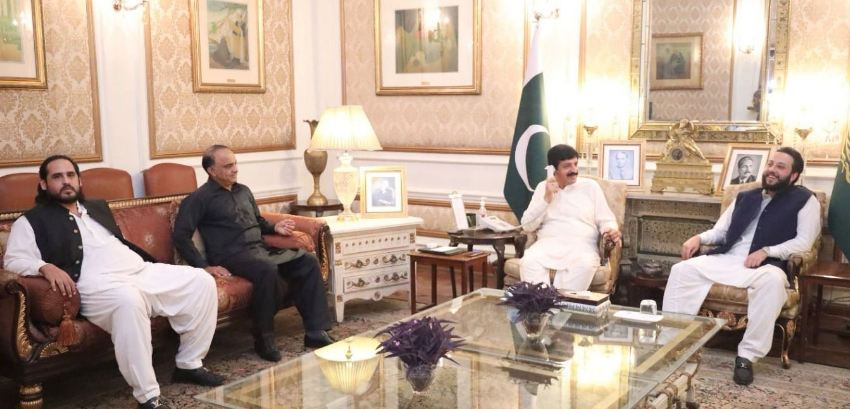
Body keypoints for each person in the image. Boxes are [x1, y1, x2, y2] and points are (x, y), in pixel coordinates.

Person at [3, 155, 223, 409]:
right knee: (129, 302)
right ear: (43, 184)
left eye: (71, 175)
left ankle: (189, 364)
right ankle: (148, 396)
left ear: (79, 180)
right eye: (57, 177)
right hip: (97, 286)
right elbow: (14, 260)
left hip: (141, 271)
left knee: (201, 281)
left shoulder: (96, 207)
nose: (66, 181)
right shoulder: (31, 221)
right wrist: (44, 266)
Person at [662, 147, 820, 386]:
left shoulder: (806, 200)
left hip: (766, 265)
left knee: (772, 282)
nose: (772, 170)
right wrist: (698, 238)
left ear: (794, 175)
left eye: (780, 167)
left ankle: (746, 356)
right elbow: (721, 231)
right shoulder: (745, 196)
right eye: (770, 164)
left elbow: (804, 241)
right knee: (682, 270)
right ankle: (672, 344)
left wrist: (768, 251)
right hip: (728, 259)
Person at [173, 145, 334, 363]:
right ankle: (263, 338)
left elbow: (257, 221)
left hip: (258, 249)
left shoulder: (244, 191)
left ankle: (315, 331)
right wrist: (204, 266)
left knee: (307, 260)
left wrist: (275, 228)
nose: (235, 169)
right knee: (267, 270)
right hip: (231, 255)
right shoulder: (199, 199)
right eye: (228, 166)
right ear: (211, 171)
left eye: (235, 163)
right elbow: (181, 236)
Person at [519, 144, 621, 290]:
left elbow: (606, 219)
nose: (574, 170)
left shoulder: (590, 187)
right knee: (528, 262)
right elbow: (527, 225)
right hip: (548, 245)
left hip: (582, 246)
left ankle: (562, 303)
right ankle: (541, 301)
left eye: (575, 164)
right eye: (567, 166)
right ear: (553, 170)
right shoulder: (543, 188)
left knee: (585, 265)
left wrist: (610, 229)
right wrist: (546, 198)